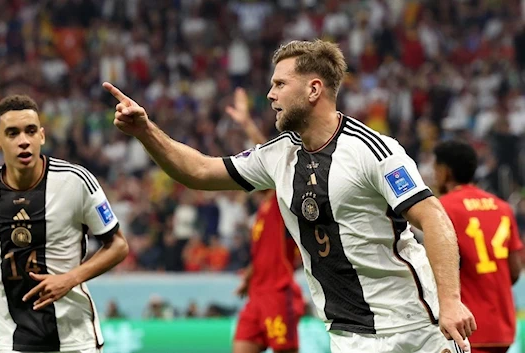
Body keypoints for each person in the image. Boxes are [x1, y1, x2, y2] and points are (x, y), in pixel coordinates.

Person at [103, 39, 476, 353]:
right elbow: (200, 171)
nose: (270, 94)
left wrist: (450, 300)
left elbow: (433, 218)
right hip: (348, 335)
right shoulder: (279, 154)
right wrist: (145, 130)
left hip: (415, 328)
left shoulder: (373, 150)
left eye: (280, 84)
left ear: (314, 89)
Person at [0, 95, 129, 353]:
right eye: (12, 133)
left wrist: (70, 278)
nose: (23, 141)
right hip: (13, 341)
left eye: (30, 131)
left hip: (75, 340)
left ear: (41, 136)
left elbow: (118, 245)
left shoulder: (76, 181)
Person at [226, 87, 305, 353]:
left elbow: (273, 158)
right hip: (256, 295)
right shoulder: (259, 213)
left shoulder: (279, 198)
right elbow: (262, 255)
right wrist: (249, 278)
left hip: (277, 292)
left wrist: (247, 124)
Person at [434, 140, 523, 353]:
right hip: (503, 326)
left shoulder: (443, 207)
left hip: (465, 326)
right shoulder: (503, 207)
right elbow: (515, 271)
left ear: (445, 171)